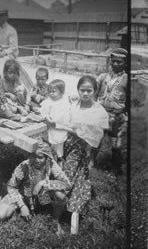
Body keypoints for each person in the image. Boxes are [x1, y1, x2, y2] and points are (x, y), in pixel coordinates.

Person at [61, 75, 109, 234]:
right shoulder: (74, 105)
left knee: (79, 178)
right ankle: (59, 210)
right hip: (68, 146)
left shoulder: (98, 111)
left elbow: (96, 135)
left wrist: (88, 150)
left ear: (95, 92)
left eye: (89, 91)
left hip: (83, 149)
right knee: (65, 174)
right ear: (78, 90)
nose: (86, 94)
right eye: (83, 90)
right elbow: (65, 122)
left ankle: (74, 214)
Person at [0, 139, 71, 235]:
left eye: (40, 157)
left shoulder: (51, 164)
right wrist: (22, 205)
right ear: (29, 155)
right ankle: (25, 209)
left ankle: (55, 221)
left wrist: (44, 184)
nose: (36, 160)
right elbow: (11, 187)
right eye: (33, 156)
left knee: (60, 195)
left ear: (47, 157)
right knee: (0, 214)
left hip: (42, 196)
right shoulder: (24, 166)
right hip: (23, 197)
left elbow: (67, 184)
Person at [96, 48, 128, 175]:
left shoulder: (126, 79)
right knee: (96, 140)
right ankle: (92, 164)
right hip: (101, 115)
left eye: (119, 62)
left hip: (117, 117)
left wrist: (126, 120)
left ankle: (115, 170)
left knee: (116, 145)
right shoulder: (103, 77)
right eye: (114, 61)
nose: (116, 64)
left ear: (125, 63)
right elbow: (94, 92)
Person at [40, 79, 70, 164]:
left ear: (61, 92)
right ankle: (52, 158)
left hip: (61, 125)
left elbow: (67, 113)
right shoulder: (49, 101)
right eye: (49, 91)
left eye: (54, 91)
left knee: (60, 143)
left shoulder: (64, 101)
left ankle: (60, 159)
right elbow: (44, 111)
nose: (51, 94)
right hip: (52, 125)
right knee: (52, 142)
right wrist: (47, 117)